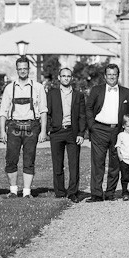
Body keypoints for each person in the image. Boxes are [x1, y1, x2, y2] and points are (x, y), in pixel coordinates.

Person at [86, 64, 129, 202]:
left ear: (118, 75)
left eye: (114, 74)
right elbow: (89, 109)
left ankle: (110, 193)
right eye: (109, 74)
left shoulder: (126, 92)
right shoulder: (96, 90)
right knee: (98, 163)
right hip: (99, 129)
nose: (111, 77)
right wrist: (92, 126)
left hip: (117, 131)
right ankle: (97, 194)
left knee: (115, 163)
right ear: (105, 76)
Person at [0, 57, 48, 198]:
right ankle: (13, 191)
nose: (22, 71)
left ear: (28, 69)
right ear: (17, 70)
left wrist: (43, 131)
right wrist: (2, 131)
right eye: (20, 69)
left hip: (32, 126)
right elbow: (3, 111)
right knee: (11, 159)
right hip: (14, 125)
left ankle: (27, 192)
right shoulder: (9, 88)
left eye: (25, 68)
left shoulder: (38, 87)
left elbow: (44, 110)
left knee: (29, 159)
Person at [46, 67, 86, 202]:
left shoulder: (78, 95)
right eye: (63, 76)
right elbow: (48, 113)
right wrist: (49, 128)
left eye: (68, 76)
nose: (66, 78)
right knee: (57, 163)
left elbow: (82, 116)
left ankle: (73, 192)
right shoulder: (52, 94)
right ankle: (60, 191)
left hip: (72, 132)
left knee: (74, 163)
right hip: (57, 132)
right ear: (59, 78)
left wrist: (81, 133)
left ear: (72, 78)